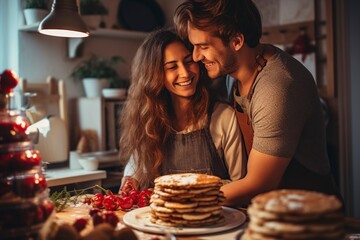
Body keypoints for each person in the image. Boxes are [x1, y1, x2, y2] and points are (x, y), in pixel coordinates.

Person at [174, 0, 342, 206]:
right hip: (268, 210)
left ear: (236, 41)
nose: (196, 56)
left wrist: (186, 203)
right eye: (194, 46)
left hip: (308, 215)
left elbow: (259, 183)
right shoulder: (230, 74)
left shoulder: (277, 87)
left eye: (203, 46)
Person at [118, 28, 246, 191]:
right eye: (172, 67)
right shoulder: (150, 120)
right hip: (163, 216)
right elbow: (136, 163)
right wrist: (131, 178)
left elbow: (240, 184)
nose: (185, 73)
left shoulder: (223, 117)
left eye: (188, 61)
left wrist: (189, 192)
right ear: (155, 76)